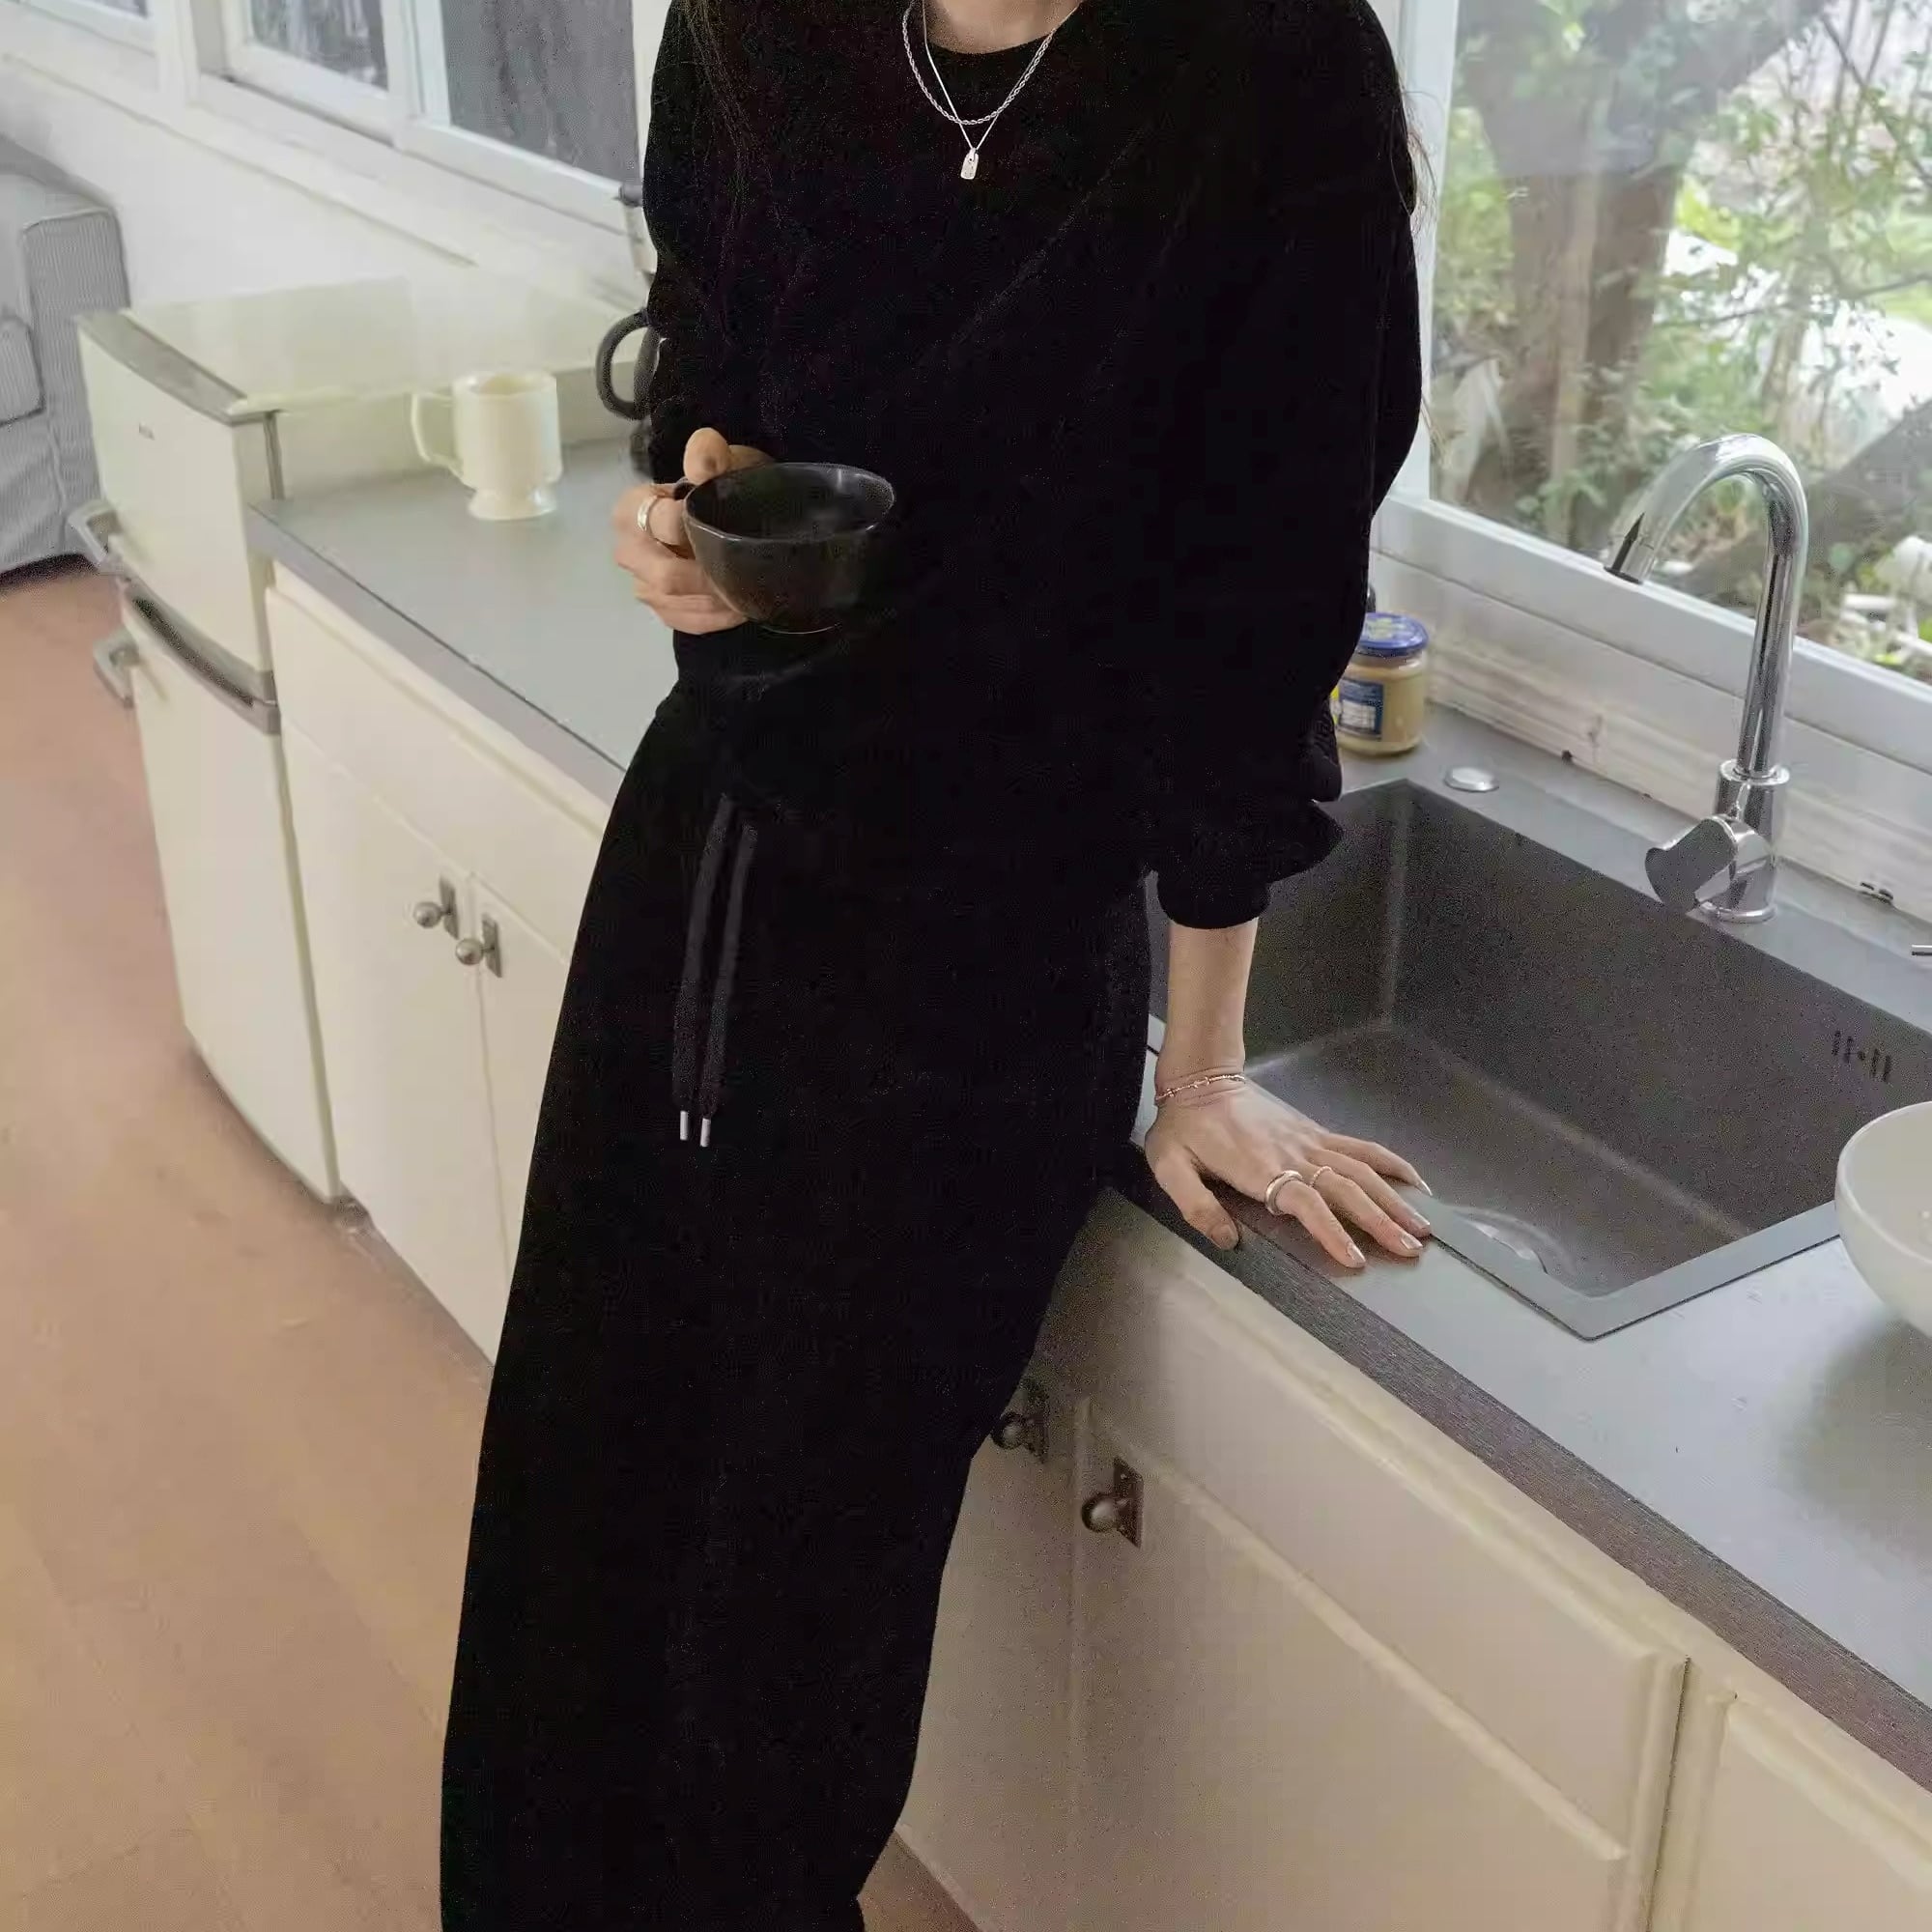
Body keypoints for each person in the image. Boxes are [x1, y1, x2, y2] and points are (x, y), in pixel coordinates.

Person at [440, 0, 1429, 1925]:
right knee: (580, 1518)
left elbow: (1261, 612)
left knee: (795, 1620)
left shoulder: (1270, 70)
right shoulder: (750, 26)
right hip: (708, 860)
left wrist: (1200, 1066)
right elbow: (708, 374)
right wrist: (688, 521)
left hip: (987, 956)